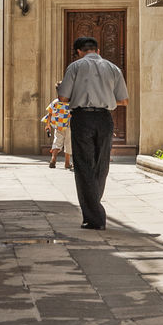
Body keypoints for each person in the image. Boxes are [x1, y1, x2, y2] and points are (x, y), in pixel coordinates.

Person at [56, 36, 128, 230]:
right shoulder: (113, 68)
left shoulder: (75, 67)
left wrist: (61, 89)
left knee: (84, 166)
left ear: (79, 51)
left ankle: (95, 216)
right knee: (101, 164)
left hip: (82, 118)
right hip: (105, 119)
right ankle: (94, 208)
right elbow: (124, 101)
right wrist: (105, 97)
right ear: (97, 50)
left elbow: (63, 97)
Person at [41, 93, 72, 170]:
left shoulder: (55, 102)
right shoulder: (71, 103)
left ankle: (53, 159)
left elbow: (50, 114)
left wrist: (48, 125)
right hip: (68, 125)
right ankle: (67, 163)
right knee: (68, 143)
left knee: (57, 141)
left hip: (58, 126)